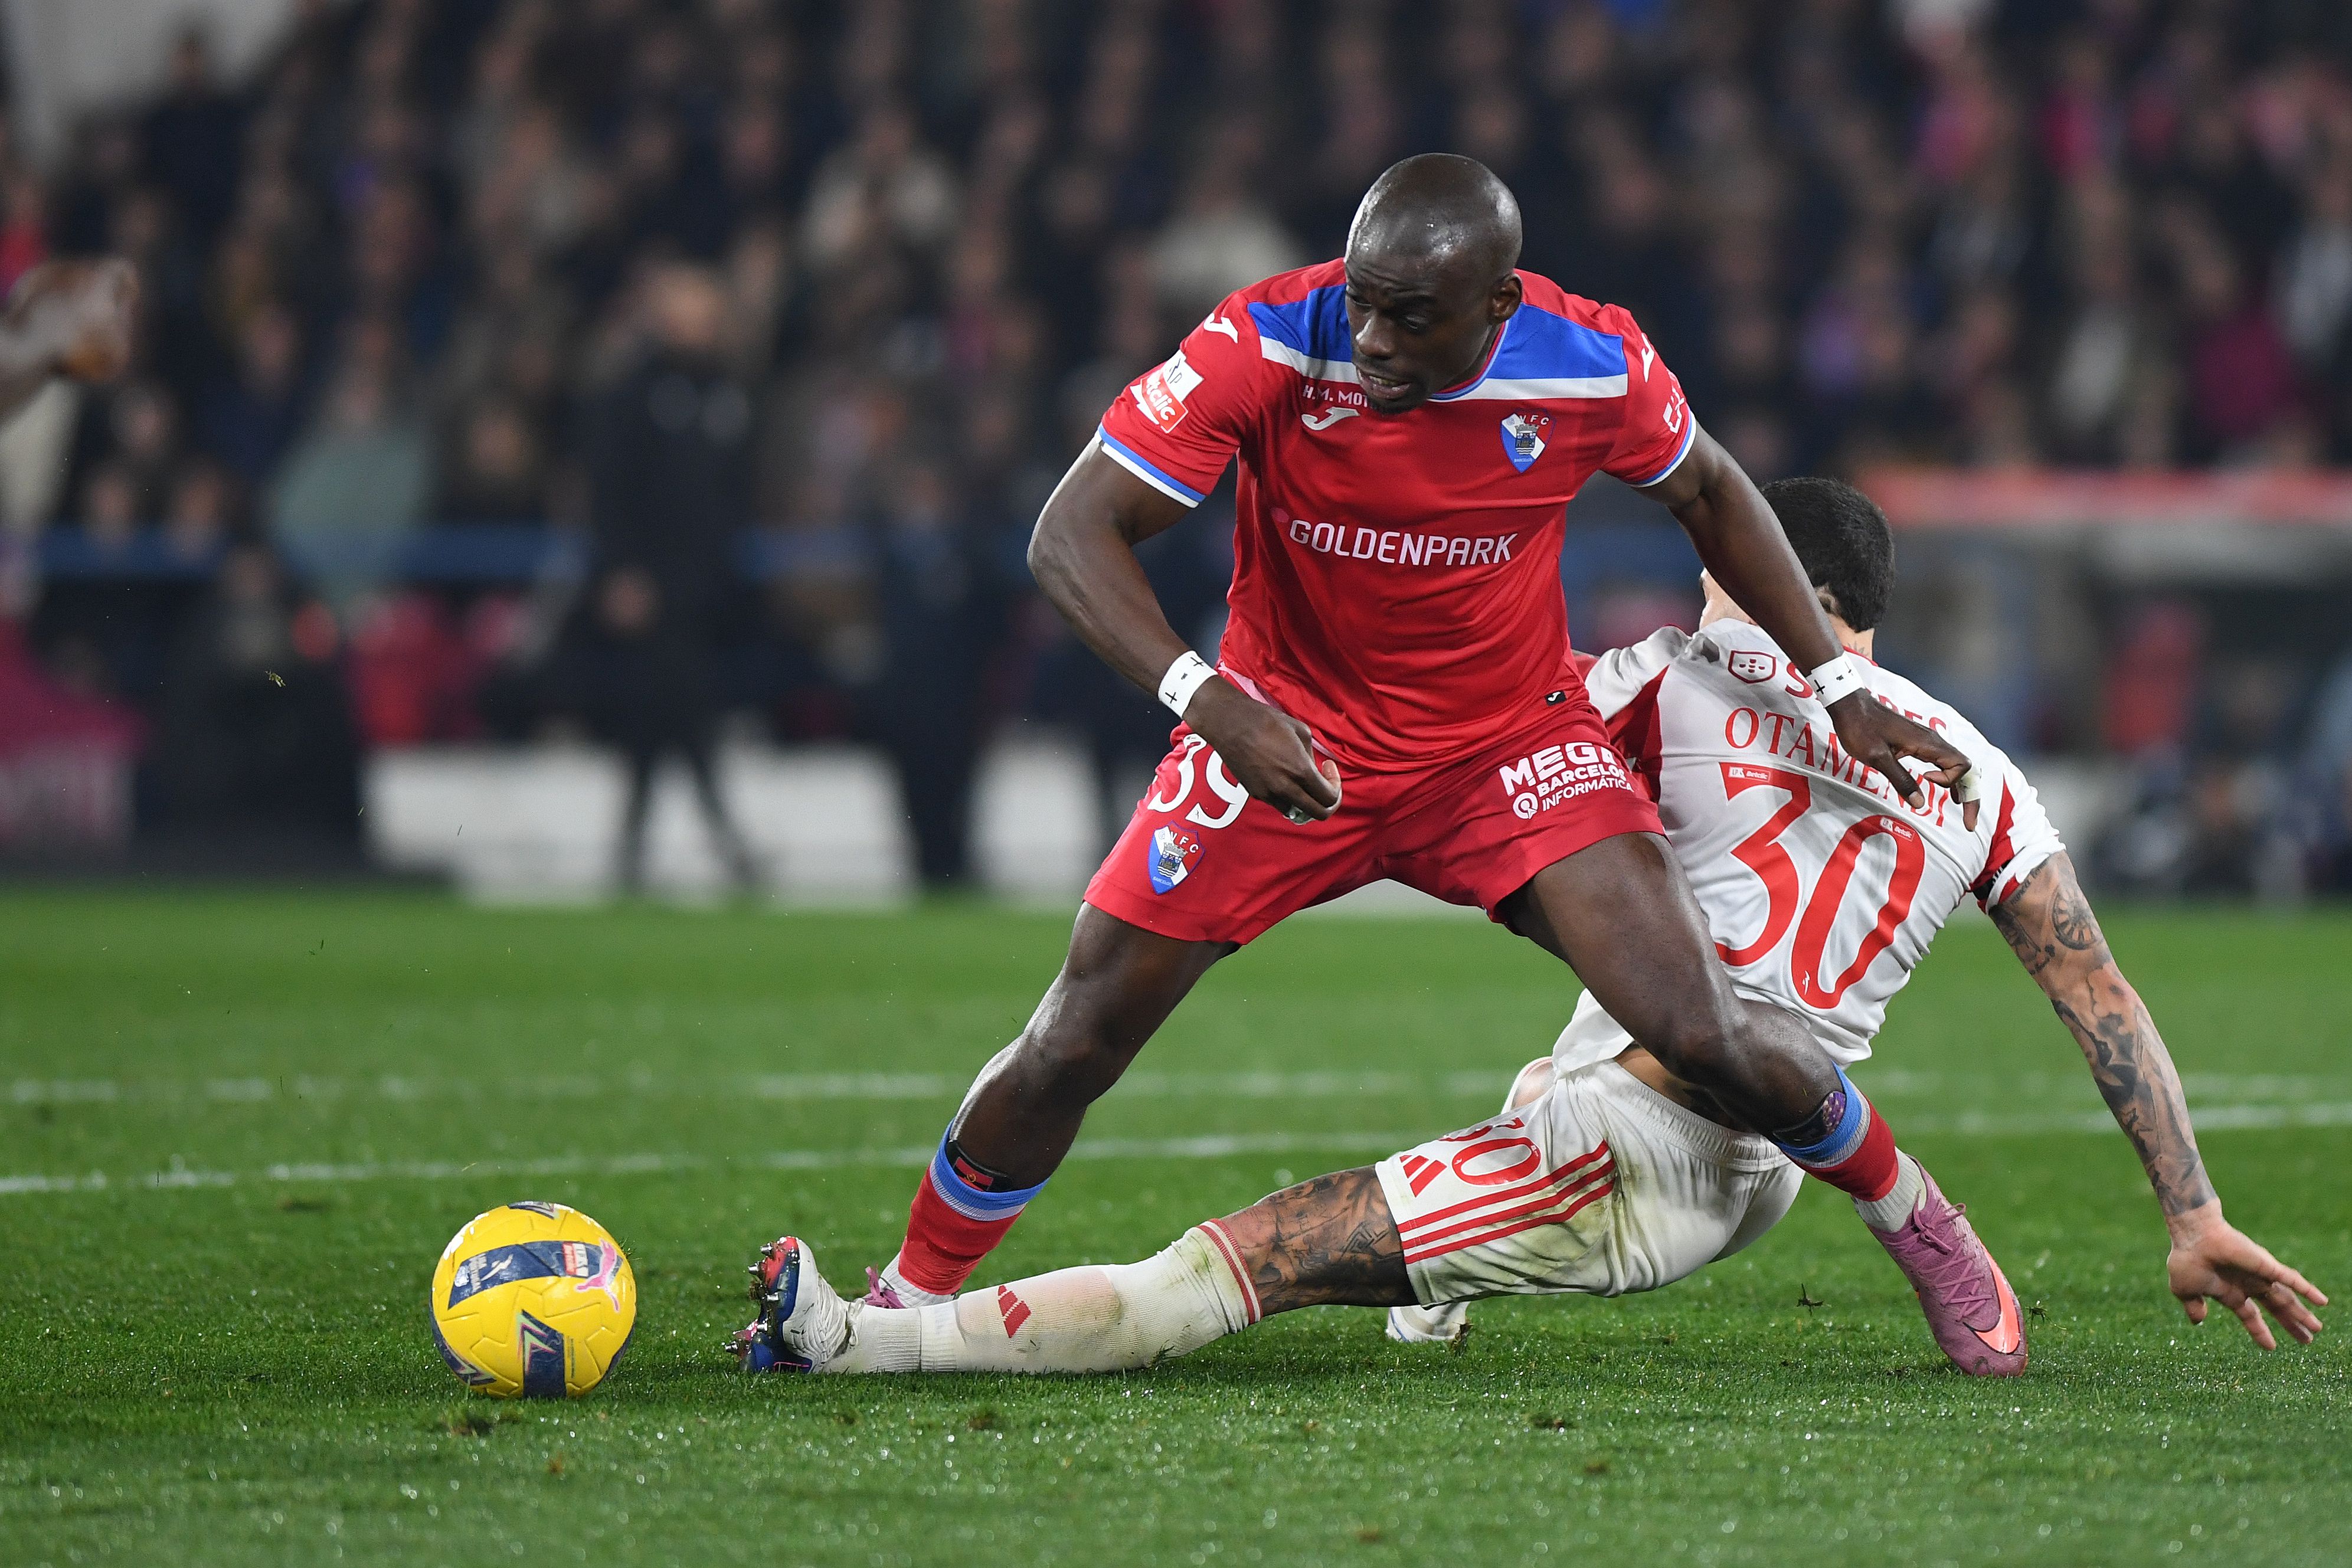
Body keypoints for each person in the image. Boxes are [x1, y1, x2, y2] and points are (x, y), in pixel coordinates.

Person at [813, 155, 2005, 1355]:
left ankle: (1927, 1231)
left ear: (1497, 305)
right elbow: (1069, 532)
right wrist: (1208, 697)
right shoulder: (1270, 337)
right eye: (1363, 300)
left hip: (1505, 747)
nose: (1372, 338)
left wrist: (1838, 680)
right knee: (1075, 1036)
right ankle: (907, 1297)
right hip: (1283, 740)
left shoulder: (1589, 357)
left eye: (1409, 315)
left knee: (1705, 1027)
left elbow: (1708, 489)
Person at [738, 478, 2325, 1379]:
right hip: (1760, 1153)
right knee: (1587, 1025)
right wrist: (2187, 1205)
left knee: (1244, 1261)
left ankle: (876, 1343)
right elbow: (2094, 990)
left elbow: (1483, 755)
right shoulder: (1976, 773)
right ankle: (1453, 1282)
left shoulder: (1671, 675)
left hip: (1640, 1151)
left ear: (1737, 576)